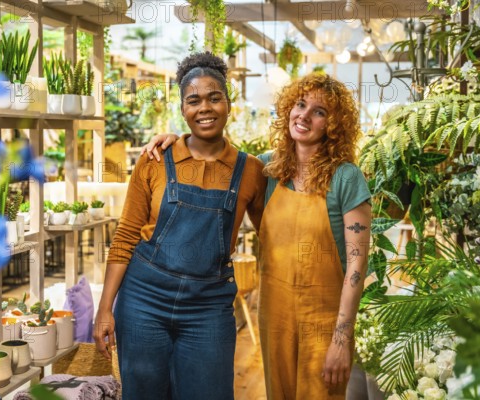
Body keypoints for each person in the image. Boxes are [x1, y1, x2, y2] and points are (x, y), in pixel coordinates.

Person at [143, 72, 371, 399]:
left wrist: (341, 340)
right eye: (300, 104)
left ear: (333, 125)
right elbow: (212, 155)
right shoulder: (267, 169)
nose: (304, 115)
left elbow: (356, 268)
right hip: (275, 315)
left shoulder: (346, 178)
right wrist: (175, 140)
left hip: (324, 321)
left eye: (319, 112)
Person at [93, 52, 266, 400]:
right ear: (183, 108)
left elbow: (270, 236)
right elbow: (126, 235)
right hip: (144, 300)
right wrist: (104, 309)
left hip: (209, 306)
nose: (205, 108)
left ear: (228, 103)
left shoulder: (250, 171)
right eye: (194, 100)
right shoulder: (155, 159)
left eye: (214, 97)